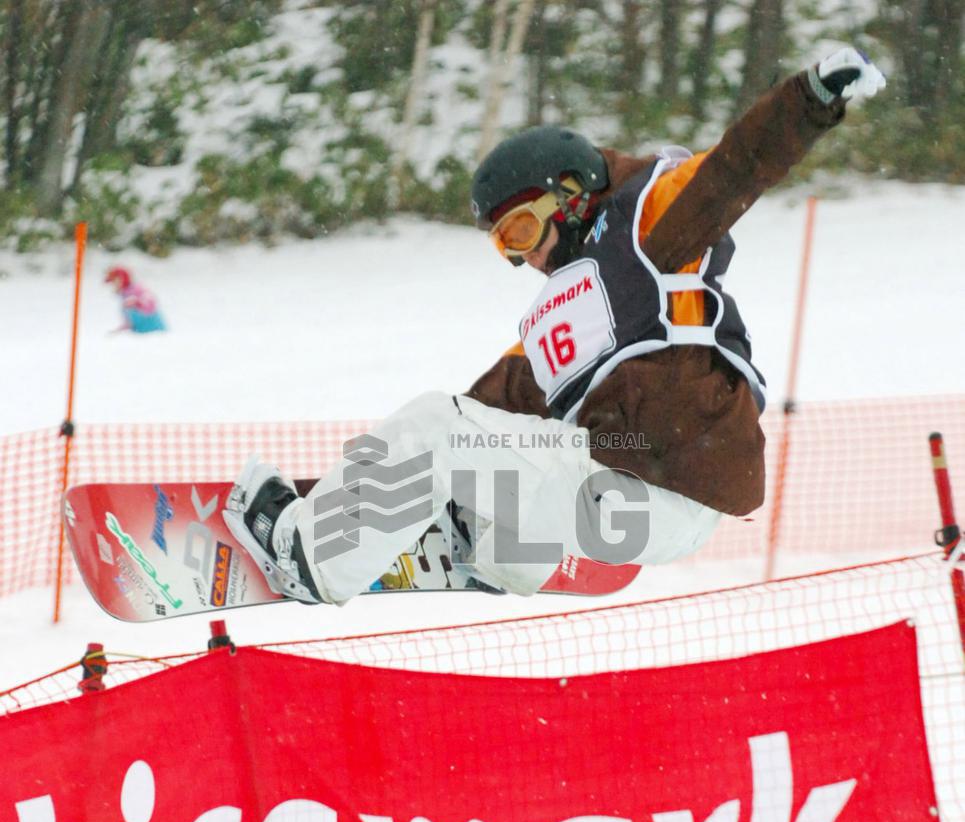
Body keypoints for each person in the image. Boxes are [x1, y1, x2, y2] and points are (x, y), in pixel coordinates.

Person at [224, 47, 885, 606]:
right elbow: (482, 415)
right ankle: (497, 552)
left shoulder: (648, 221)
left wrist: (811, 96)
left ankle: (308, 558)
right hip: (634, 500)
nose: (523, 258)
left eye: (520, 230)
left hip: (669, 480)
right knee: (471, 432)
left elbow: (734, 165)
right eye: (504, 246)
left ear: (568, 194)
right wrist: (333, 493)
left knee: (434, 427)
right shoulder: (562, 314)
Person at [105, 266, 167, 334]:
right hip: (142, 333)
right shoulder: (124, 296)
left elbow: (151, 303)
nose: (113, 285)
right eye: (112, 283)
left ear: (122, 280)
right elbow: (129, 323)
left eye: (115, 282)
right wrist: (119, 331)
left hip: (156, 332)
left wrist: (138, 303)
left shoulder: (136, 289)